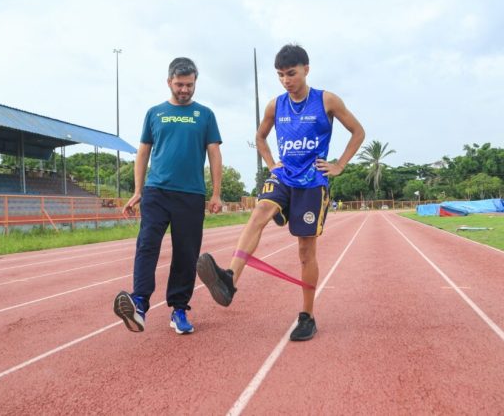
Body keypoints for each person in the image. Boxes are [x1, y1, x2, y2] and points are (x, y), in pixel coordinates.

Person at [196, 44, 365, 341]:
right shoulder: (275, 105)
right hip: (284, 176)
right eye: (280, 75)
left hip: (313, 182)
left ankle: (307, 315)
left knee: (305, 251)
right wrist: (272, 163)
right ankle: (230, 279)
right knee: (259, 211)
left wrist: (339, 164)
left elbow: (358, 131)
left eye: (291, 73)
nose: (286, 80)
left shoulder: (326, 100)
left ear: (306, 70)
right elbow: (260, 136)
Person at [114, 57, 223, 335]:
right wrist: (138, 191)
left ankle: (179, 309)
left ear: (195, 83)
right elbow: (143, 153)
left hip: (191, 194)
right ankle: (139, 302)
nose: (185, 89)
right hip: (157, 192)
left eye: (189, 84)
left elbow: (214, 153)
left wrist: (216, 194)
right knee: (147, 244)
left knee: (186, 254)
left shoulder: (205, 115)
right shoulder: (154, 113)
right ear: (169, 82)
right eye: (179, 84)